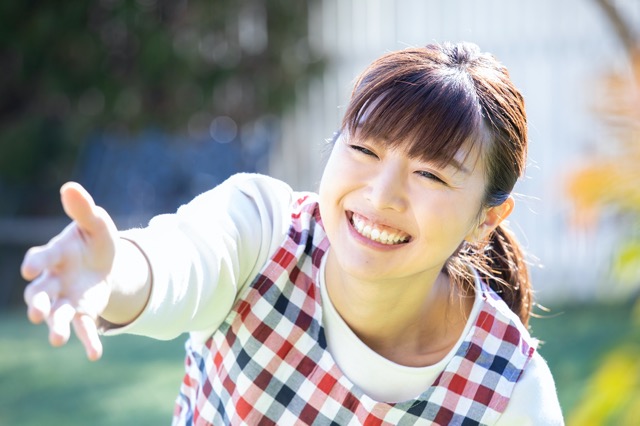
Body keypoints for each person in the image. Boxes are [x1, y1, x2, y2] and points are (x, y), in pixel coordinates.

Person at [22, 42, 564, 425]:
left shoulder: (510, 393)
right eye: (364, 150)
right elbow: (183, 261)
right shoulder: (265, 230)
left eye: (430, 174)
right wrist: (117, 271)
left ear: (485, 219)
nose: (382, 196)